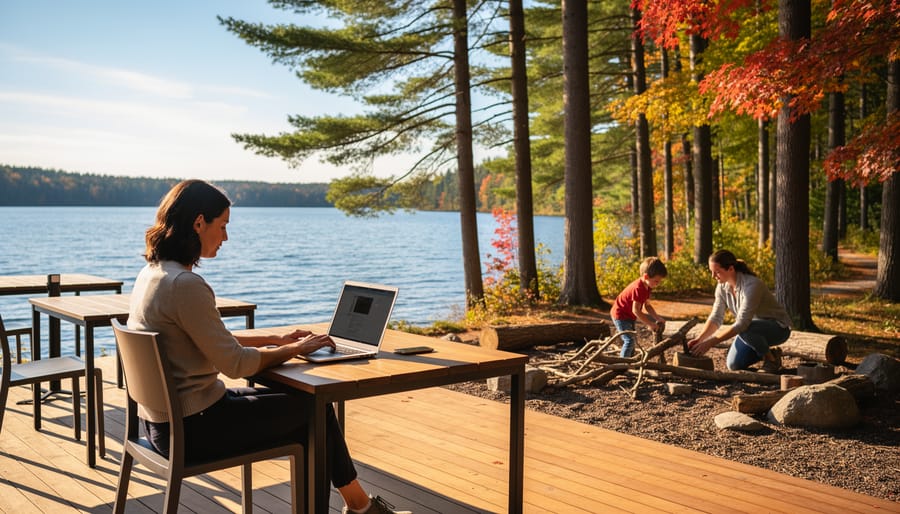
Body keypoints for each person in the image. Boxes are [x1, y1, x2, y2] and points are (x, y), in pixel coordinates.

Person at [127, 179, 409, 514]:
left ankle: (358, 505)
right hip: (194, 429)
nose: (226, 237)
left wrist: (276, 340)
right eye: (223, 226)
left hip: (163, 423)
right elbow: (236, 364)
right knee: (313, 414)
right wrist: (295, 349)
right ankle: (360, 507)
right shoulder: (185, 285)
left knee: (308, 407)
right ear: (199, 223)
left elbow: (208, 339)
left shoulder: (152, 274)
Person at [688, 249, 792, 371]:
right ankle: (771, 352)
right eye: (711, 272)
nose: (713, 276)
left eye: (717, 272)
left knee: (744, 328)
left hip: (778, 329)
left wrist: (711, 342)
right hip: (751, 331)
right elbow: (716, 317)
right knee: (733, 365)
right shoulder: (721, 287)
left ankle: (770, 360)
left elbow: (742, 324)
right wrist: (700, 339)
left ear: (731, 269)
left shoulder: (752, 285)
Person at [610, 257, 668, 358]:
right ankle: (621, 365)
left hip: (629, 316)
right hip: (620, 315)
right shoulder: (638, 288)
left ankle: (629, 361)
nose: (657, 284)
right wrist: (650, 324)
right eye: (656, 281)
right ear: (646, 277)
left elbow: (648, 306)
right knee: (629, 340)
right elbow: (636, 310)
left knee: (632, 339)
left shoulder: (647, 287)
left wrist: (657, 318)